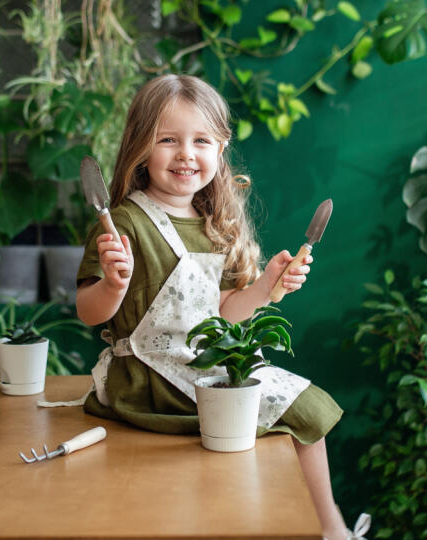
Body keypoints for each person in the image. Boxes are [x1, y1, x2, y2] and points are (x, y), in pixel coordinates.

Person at [72, 74, 368, 540]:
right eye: (168, 139)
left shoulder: (214, 225)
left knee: (306, 413)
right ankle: (331, 531)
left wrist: (268, 286)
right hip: (150, 376)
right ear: (140, 148)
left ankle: (330, 528)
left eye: (201, 140)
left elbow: (223, 314)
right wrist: (112, 284)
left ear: (221, 148)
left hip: (200, 364)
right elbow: (90, 312)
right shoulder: (124, 221)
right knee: (297, 412)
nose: (186, 153)